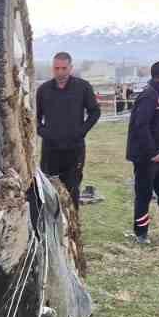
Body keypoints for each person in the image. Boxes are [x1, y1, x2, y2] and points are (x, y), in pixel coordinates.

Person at [34, 52, 100, 206]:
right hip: (51, 150)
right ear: (52, 68)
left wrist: (81, 131)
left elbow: (95, 112)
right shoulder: (43, 90)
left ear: (70, 68)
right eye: (57, 68)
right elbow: (34, 117)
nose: (60, 72)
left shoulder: (82, 87)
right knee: (48, 189)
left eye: (64, 68)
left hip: (74, 149)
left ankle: (73, 226)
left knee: (72, 189)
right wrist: (44, 132)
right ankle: (51, 227)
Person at [125, 60, 159, 244]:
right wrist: (152, 151)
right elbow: (140, 126)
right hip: (147, 156)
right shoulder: (149, 96)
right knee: (144, 193)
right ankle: (141, 232)